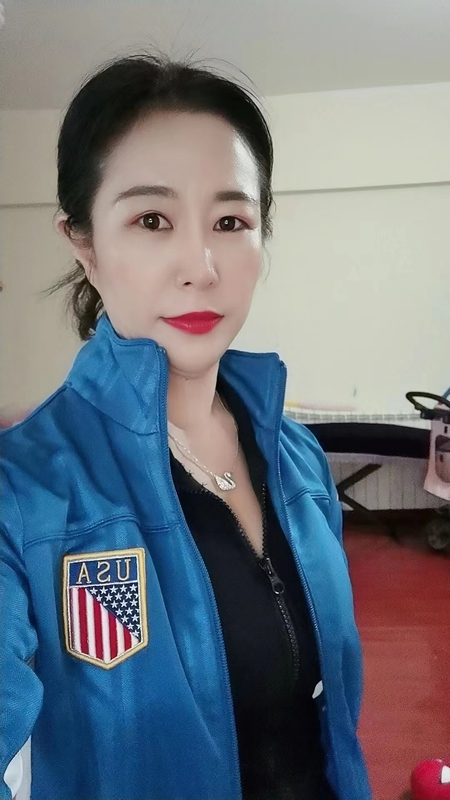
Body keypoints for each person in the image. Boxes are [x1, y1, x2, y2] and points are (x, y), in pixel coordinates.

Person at [0, 54, 371, 800]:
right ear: (84, 243)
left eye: (230, 221)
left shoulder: (296, 458)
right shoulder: (23, 489)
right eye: (151, 220)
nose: (200, 266)